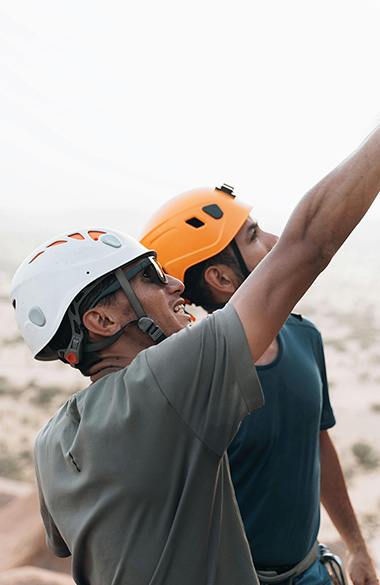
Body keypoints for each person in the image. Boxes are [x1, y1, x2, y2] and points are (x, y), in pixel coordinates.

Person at [10, 124, 380, 585]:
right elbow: (308, 245)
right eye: (148, 276)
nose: (175, 284)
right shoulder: (166, 388)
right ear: (102, 321)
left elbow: (64, 542)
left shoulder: (52, 441)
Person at [140, 183, 379, 585]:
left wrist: (355, 546)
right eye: (253, 235)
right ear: (220, 277)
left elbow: (317, 442)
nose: (273, 241)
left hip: (311, 572)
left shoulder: (306, 337)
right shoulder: (189, 380)